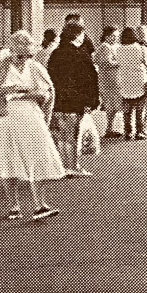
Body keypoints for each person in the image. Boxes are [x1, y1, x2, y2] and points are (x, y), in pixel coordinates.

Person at [0, 30, 65, 221]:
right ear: (10, 49)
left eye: (27, 51)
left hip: (30, 117)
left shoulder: (36, 68)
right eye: (19, 51)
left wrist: (28, 94)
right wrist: (10, 89)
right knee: (7, 160)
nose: (23, 57)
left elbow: (47, 93)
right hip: (4, 118)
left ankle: (40, 205)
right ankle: (13, 206)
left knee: (38, 157)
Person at [47, 23, 100, 177]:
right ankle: (73, 166)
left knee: (62, 135)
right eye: (82, 35)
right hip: (75, 101)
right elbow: (90, 80)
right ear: (77, 36)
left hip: (58, 99)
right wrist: (92, 101)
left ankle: (62, 166)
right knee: (73, 135)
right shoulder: (80, 54)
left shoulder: (56, 54)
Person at [116, 27, 147, 140]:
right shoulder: (141, 49)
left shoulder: (118, 49)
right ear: (135, 36)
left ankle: (128, 131)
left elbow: (117, 62)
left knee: (127, 108)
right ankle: (140, 131)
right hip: (139, 80)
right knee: (140, 108)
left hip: (124, 80)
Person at [94, 27, 123, 138]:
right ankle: (109, 129)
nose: (116, 38)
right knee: (112, 105)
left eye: (117, 36)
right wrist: (120, 63)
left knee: (113, 105)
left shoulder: (110, 47)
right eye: (114, 36)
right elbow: (106, 62)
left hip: (111, 79)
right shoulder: (105, 47)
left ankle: (110, 128)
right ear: (107, 36)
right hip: (108, 79)